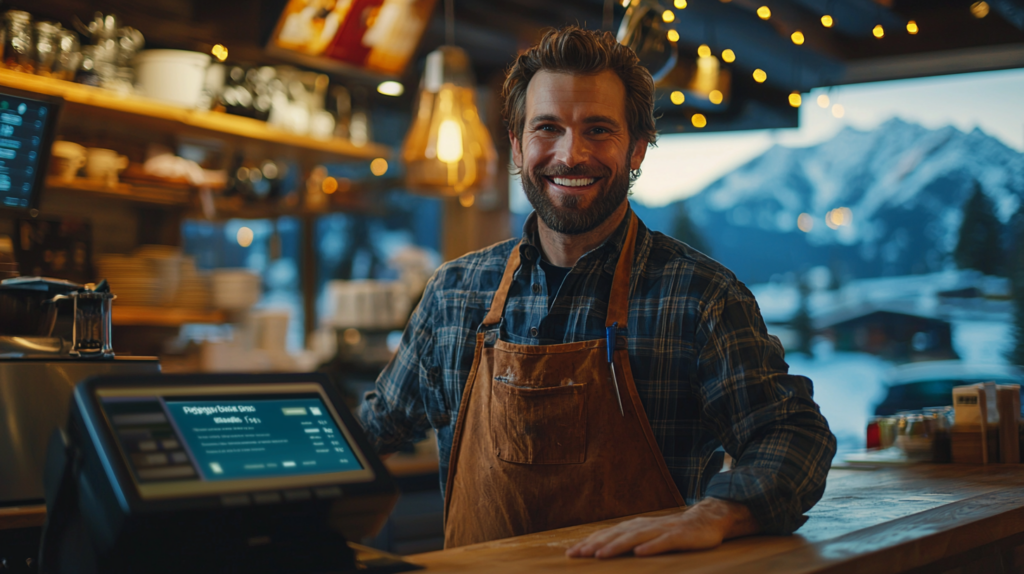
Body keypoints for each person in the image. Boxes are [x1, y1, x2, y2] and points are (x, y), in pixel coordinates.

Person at [359, 26, 836, 558]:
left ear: (636, 150)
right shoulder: (453, 295)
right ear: (517, 145)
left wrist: (722, 512)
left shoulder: (701, 298)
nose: (570, 153)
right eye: (548, 128)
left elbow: (792, 432)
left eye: (598, 130)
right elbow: (372, 431)